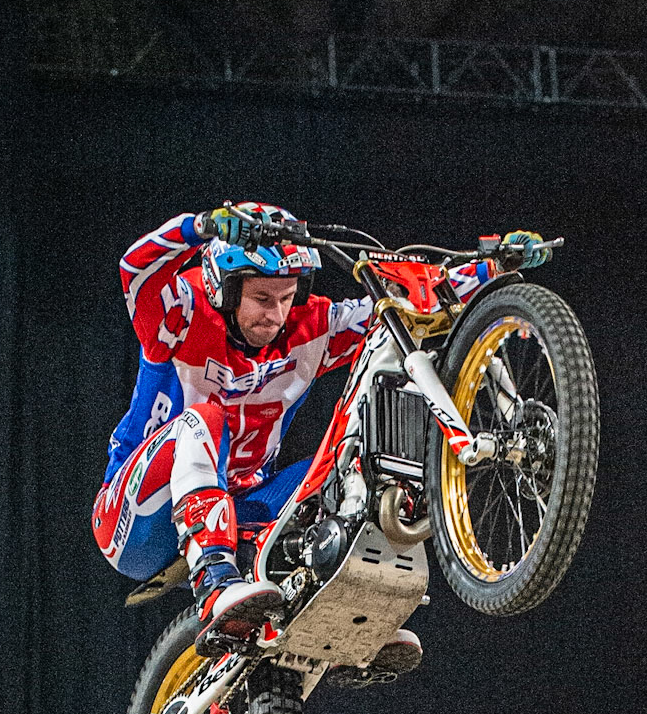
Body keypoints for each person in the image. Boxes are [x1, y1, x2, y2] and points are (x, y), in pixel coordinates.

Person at [91, 201, 551, 666]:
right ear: (225, 290)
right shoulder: (183, 312)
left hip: (245, 500)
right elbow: (136, 267)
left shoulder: (311, 326)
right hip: (135, 516)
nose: (275, 314)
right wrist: (199, 227)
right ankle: (213, 586)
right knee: (205, 420)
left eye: (287, 297)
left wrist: (493, 265)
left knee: (344, 468)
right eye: (261, 299)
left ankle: (356, 614)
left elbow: (410, 306)